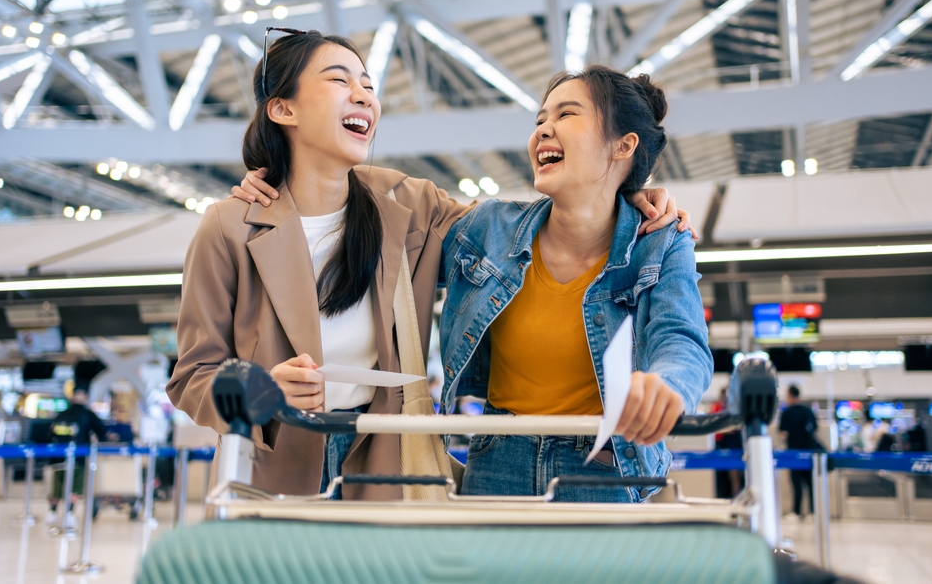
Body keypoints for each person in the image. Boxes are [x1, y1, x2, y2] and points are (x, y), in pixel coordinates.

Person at [176, 29, 687, 501]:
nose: (363, 95)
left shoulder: (409, 206)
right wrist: (258, 389)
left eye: (368, 85)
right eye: (339, 80)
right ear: (282, 109)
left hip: (383, 466)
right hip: (272, 462)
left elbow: (529, 232)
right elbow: (192, 375)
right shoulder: (228, 227)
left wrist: (631, 194)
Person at [438, 66, 713, 502]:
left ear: (623, 146)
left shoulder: (659, 242)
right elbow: (398, 224)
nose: (544, 129)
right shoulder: (488, 228)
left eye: (566, 115)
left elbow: (681, 338)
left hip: (605, 465)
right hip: (496, 459)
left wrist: (669, 385)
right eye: (540, 120)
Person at [46, 386, 107, 526]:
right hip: (78, 459)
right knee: (74, 488)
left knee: (57, 488)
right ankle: (69, 514)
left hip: (58, 458)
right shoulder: (87, 414)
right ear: (85, 398)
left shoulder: (61, 414)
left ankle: (52, 513)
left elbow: (49, 435)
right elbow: (102, 431)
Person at [778, 384, 818, 518]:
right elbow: (815, 430)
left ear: (789, 395)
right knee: (811, 484)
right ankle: (813, 512)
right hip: (809, 453)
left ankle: (796, 511)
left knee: (796, 485)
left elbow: (783, 434)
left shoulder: (787, 412)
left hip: (793, 454)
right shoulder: (808, 411)